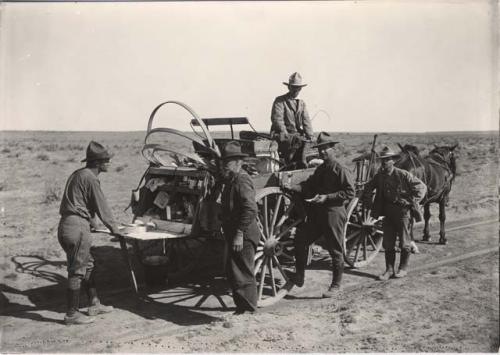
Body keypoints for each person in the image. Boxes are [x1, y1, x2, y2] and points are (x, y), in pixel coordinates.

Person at [283, 132, 355, 298]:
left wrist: (327, 197)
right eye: (320, 149)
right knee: (301, 239)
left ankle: (336, 285)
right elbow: (309, 186)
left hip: (334, 213)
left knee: (335, 249)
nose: (323, 152)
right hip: (318, 214)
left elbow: (350, 192)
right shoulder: (321, 169)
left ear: (332, 149)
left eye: (326, 149)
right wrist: (292, 187)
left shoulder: (340, 169)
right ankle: (299, 275)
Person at [58, 141, 122, 325]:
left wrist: (92, 222)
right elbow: (102, 207)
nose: (109, 163)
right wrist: (116, 230)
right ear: (97, 163)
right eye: (106, 160)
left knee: (88, 266)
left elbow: (80, 203)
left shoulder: (77, 174)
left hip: (67, 225)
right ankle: (72, 314)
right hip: (77, 228)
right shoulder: (91, 178)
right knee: (77, 271)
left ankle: (94, 304)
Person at [362, 146, 427, 281]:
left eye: (387, 160)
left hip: (403, 213)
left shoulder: (402, 174)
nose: (384, 163)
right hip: (387, 213)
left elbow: (421, 187)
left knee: (404, 243)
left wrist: (411, 202)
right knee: (388, 243)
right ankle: (389, 270)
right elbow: (368, 186)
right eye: (382, 160)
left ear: (393, 161)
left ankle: (402, 269)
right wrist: (368, 201)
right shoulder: (380, 176)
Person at [220, 141, 260, 314]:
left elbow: (250, 208)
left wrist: (238, 233)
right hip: (235, 232)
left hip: (244, 233)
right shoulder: (232, 179)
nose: (225, 167)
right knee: (234, 271)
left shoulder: (242, 180)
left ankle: (250, 310)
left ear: (238, 162)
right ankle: (241, 308)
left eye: (227, 163)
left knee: (244, 272)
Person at [270, 72, 314, 169]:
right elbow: (277, 119)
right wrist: (285, 133)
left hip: (296, 135)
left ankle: (301, 165)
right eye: (293, 87)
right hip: (281, 134)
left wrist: (310, 135)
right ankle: (292, 165)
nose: (296, 90)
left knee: (306, 143)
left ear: (301, 89)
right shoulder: (280, 101)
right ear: (289, 87)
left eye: (298, 88)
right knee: (295, 142)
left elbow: (306, 120)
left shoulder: (301, 103)